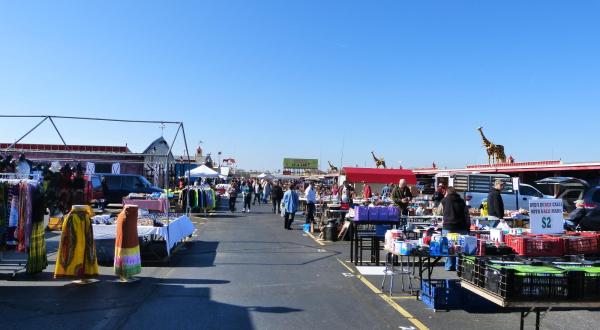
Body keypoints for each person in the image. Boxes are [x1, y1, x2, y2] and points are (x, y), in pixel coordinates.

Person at [441, 187, 470, 271]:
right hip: (461, 226)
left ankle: (449, 265)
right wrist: (468, 227)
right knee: (460, 247)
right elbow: (466, 214)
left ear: (447, 192)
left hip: (448, 226)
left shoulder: (444, 200)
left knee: (449, 246)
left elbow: (438, 211)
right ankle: (459, 266)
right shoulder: (462, 201)